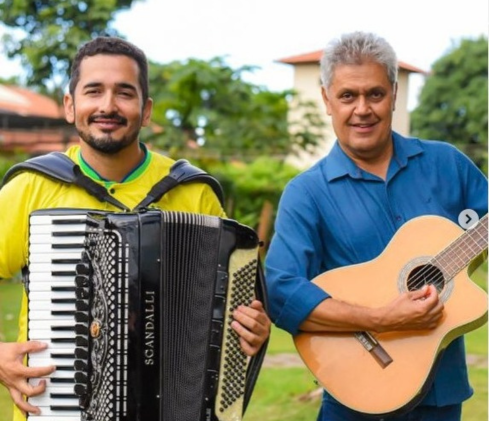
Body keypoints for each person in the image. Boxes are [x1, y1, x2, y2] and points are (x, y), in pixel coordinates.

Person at [0, 36, 271, 420]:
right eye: (93, 91)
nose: (108, 106)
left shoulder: (193, 194)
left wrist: (251, 331)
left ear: (145, 111)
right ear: (69, 105)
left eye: (124, 93)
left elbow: (227, 325)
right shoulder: (29, 188)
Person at [265, 31, 487, 421]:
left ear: (395, 95)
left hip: (442, 397)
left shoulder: (447, 165)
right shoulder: (306, 193)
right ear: (326, 100)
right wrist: (382, 319)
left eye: (375, 94)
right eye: (348, 96)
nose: (362, 109)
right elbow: (280, 291)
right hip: (354, 398)